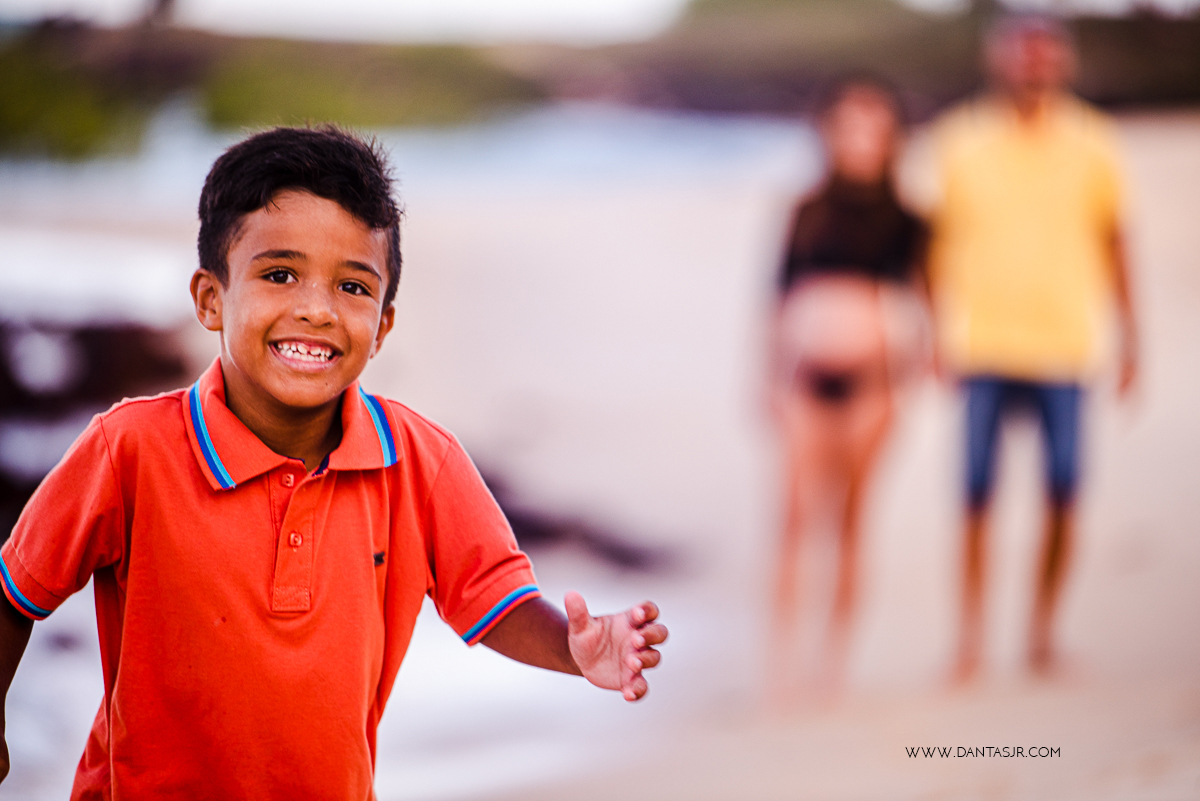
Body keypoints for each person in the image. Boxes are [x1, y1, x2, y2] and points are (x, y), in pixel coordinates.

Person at [0, 126, 668, 797]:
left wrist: (573, 648)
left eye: (352, 286)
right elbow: (16, 591)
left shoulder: (419, 462)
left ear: (381, 328)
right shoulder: (129, 449)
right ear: (210, 299)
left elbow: (495, 601)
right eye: (280, 275)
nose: (317, 310)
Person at [925, 15, 1139, 680]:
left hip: (1064, 345)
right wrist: (933, 331)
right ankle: (969, 639)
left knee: (1064, 491)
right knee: (975, 495)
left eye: (1045, 55)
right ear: (1000, 60)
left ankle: (1042, 633)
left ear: (1063, 64)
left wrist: (1132, 337)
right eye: (1022, 54)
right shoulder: (959, 139)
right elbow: (934, 244)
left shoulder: (1094, 140)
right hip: (981, 344)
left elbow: (1115, 240)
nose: (1033, 66)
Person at [768, 78, 927, 701]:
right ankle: (781, 662)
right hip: (804, 382)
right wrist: (767, 379)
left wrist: (913, 369)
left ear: (891, 141)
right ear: (828, 134)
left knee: (852, 522)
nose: (860, 141)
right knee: (794, 518)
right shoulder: (805, 212)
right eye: (849, 128)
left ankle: (832, 665)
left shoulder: (909, 220)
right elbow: (775, 300)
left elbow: (928, 305)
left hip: (874, 386)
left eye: (873, 129)